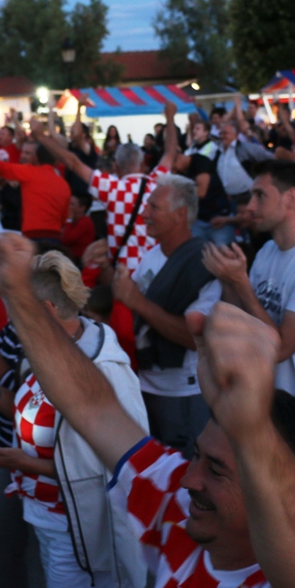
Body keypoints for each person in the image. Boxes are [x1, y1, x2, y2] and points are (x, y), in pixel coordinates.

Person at [0, 233, 295, 588]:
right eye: (198, 457)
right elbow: (93, 407)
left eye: (216, 469)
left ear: (274, 497)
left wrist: (254, 431)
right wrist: (18, 295)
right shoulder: (180, 512)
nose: (187, 479)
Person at [0, 250, 149, 588]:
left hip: (79, 531)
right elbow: (28, 406)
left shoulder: (103, 372)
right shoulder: (47, 351)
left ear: (46, 310)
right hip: (49, 520)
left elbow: (122, 464)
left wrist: (25, 463)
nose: (11, 323)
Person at [203, 160, 295, 436]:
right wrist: (228, 280)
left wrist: (240, 283)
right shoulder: (269, 250)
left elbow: (280, 350)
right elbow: (243, 322)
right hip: (266, 409)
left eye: (260, 195)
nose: (251, 206)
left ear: (291, 197)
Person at [114, 174, 219, 458]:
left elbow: (194, 337)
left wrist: (137, 301)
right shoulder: (151, 256)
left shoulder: (206, 263)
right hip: (145, 386)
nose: (145, 214)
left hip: (182, 395)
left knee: (185, 484)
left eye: (154, 207)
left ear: (180, 215)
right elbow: (127, 303)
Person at [36, 103, 179, 270]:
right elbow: (170, 152)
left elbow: (73, 163)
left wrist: (41, 137)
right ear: (143, 166)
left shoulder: (111, 188)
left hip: (125, 272)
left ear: (116, 168)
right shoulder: (156, 183)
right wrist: (170, 117)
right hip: (155, 269)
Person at [0, 139, 70, 244]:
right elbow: (64, 219)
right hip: (55, 239)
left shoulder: (29, 172)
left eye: (27, 153)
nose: (22, 156)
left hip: (33, 237)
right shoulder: (64, 184)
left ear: (37, 157)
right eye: (23, 152)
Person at [60, 192, 96, 262]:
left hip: (77, 260)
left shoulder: (85, 222)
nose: (68, 206)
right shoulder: (73, 221)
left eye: (72, 204)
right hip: (69, 256)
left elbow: (66, 239)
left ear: (82, 208)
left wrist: (69, 219)